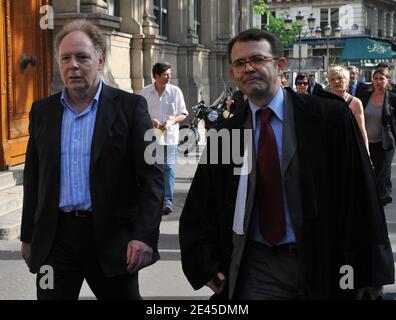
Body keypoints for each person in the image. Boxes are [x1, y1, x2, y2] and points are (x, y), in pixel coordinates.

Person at [179, 29, 394, 300]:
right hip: (257, 267)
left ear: (280, 65)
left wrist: (371, 270)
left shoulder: (329, 119)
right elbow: (202, 202)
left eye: (257, 59)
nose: (249, 68)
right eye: (239, 63)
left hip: (324, 260)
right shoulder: (228, 132)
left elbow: (361, 194)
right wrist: (205, 263)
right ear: (232, 73)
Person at [20, 19, 164, 300]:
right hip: (55, 242)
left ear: (100, 60)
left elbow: (153, 177)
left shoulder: (131, 108)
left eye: (82, 57)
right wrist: (28, 236)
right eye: (65, 58)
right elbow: (33, 177)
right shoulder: (43, 112)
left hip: (112, 241)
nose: (73, 65)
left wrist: (143, 235)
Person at [141, 63, 188, 215]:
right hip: (152, 136)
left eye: (169, 74)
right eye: (166, 74)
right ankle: (154, 199)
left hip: (170, 137)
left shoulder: (175, 91)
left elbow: (183, 113)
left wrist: (171, 122)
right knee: (153, 168)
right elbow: (140, 113)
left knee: (168, 167)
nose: (169, 77)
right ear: (156, 76)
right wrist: (150, 120)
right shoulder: (145, 92)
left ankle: (167, 201)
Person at [360, 67, 396, 206]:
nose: (378, 81)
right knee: (371, 172)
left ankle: (377, 203)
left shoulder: (392, 98)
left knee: (380, 173)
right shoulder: (365, 95)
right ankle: (385, 194)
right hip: (367, 142)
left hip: (385, 143)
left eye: (382, 78)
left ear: (387, 81)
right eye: (375, 78)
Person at [328, 66, 369, 152]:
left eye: (340, 78)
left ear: (347, 81)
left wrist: (366, 152)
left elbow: (362, 130)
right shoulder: (324, 101)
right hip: (331, 147)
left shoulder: (356, 103)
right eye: (332, 79)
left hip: (350, 147)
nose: (336, 81)